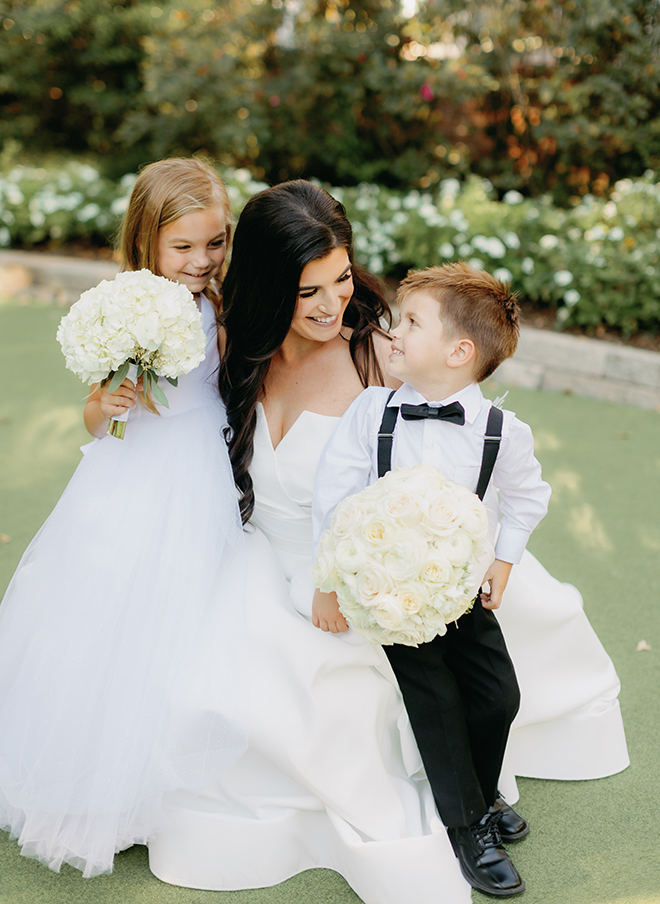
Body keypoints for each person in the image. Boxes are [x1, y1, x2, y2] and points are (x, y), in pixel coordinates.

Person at [147, 181, 628, 903]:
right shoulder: (228, 348)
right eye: (308, 289)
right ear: (271, 286)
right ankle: (469, 806)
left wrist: (408, 567)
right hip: (256, 562)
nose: (332, 303)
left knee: (450, 686)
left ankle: (473, 808)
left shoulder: (382, 357)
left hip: (371, 571)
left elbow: (448, 468)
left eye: (342, 279)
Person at [0, 157, 246, 878]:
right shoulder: (126, 305)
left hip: (199, 466)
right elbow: (95, 405)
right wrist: (104, 406)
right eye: (185, 247)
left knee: (190, 613)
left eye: (214, 243)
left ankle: (168, 780)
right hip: (131, 472)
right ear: (147, 241)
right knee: (108, 616)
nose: (202, 261)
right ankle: (96, 783)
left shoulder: (221, 306)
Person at [312, 262, 551, 896]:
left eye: (411, 322)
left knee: (498, 695)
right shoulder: (372, 412)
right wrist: (330, 581)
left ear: (458, 352)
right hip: (389, 598)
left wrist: (504, 559)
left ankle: (480, 790)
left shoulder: (503, 433)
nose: (392, 331)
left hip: (463, 594)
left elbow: (529, 498)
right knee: (438, 701)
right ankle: (468, 824)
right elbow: (333, 498)